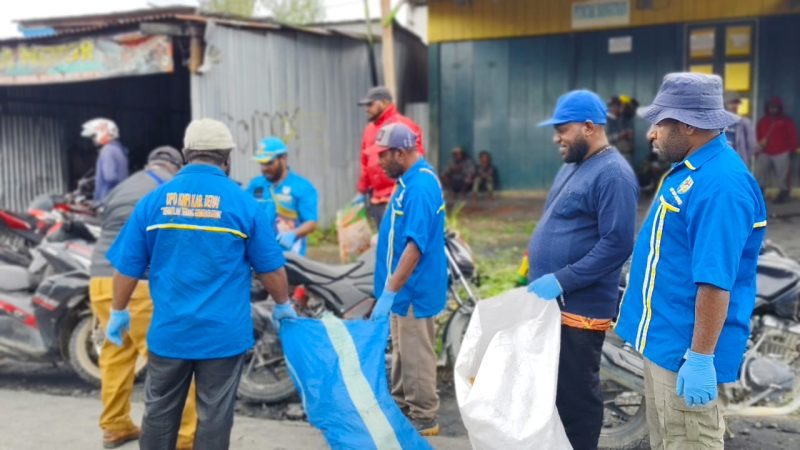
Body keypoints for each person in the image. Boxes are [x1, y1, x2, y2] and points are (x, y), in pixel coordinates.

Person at [104, 119, 295, 450]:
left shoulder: (153, 202)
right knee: (214, 418)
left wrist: (117, 311)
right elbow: (271, 269)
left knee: (159, 414)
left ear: (185, 153)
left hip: (169, 335)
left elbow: (126, 269)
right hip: (222, 338)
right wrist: (283, 306)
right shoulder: (243, 203)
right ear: (227, 157)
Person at [615, 73, 767, 450]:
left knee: (686, 441)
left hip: (684, 354)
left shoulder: (721, 185)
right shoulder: (692, 169)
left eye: (658, 123)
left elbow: (715, 283)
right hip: (663, 342)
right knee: (667, 440)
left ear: (687, 124)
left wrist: (700, 358)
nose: (651, 134)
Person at [527, 90, 639, 450]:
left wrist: (561, 278)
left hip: (580, 313)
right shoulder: (571, 166)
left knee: (576, 401)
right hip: (551, 309)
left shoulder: (613, 175)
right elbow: (557, 220)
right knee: (551, 397)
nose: (555, 137)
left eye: (562, 129)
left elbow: (617, 244)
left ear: (589, 127)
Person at [89, 146, 196, 449]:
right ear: (176, 166)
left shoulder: (123, 186)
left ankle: (115, 425)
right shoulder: (169, 187)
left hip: (98, 278)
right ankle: (186, 437)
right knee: (171, 359)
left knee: (116, 353)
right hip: (136, 283)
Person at [368, 123, 447, 436]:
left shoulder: (421, 187)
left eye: (384, 156)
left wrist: (390, 290)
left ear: (401, 153)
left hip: (412, 290)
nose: (379, 162)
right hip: (402, 291)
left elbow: (415, 247)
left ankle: (425, 418)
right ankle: (401, 405)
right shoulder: (407, 181)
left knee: (415, 355)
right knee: (402, 350)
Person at [356, 86, 425, 225]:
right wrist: (362, 191)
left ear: (383, 102)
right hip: (376, 199)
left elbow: (415, 160)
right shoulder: (370, 130)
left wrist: (403, 190)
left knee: (398, 241)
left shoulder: (403, 125)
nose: (366, 109)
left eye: (370, 104)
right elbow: (365, 162)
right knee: (383, 241)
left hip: (397, 197)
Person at [245, 137, 318, 255]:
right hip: (260, 255)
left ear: (283, 158)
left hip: (289, 257)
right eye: (261, 163)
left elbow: (311, 223)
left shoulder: (302, 187)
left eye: (269, 163)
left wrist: (293, 234)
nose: (264, 168)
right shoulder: (256, 185)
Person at [756, 96, 798, 203]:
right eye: (771, 107)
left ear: (779, 108)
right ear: (767, 108)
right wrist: (758, 149)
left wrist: (792, 150)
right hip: (765, 152)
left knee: (783, 176)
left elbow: (792, 135)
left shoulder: (786, 121)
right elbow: (758, 135)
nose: (772, 109)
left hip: (782, 152)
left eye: (775, 107)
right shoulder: (763, 121)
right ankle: (759, 195)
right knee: (761, 174)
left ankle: (784, 194)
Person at [81, 118, 129, 203]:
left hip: (107, 200)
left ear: (103, 133)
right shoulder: (119, 149)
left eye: (94, 135)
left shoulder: (107, 150)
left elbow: (110, 177)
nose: (94, 139)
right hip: (119, 198)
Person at [723, 92, 758, 169]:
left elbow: (752, 147)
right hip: (721, 162)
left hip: (738, 163)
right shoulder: (717, 122)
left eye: (735, 103)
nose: (733, 106)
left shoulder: (745, 122)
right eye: (730, 103)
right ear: (725, 104)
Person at [606, 95, 638, 166]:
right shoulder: (606, 121)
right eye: (618, 106)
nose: (621, 108)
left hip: (626, 155)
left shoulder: (622, 119)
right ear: (612, 107)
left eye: (620, 106)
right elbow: (605, 140)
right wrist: (620, 135)